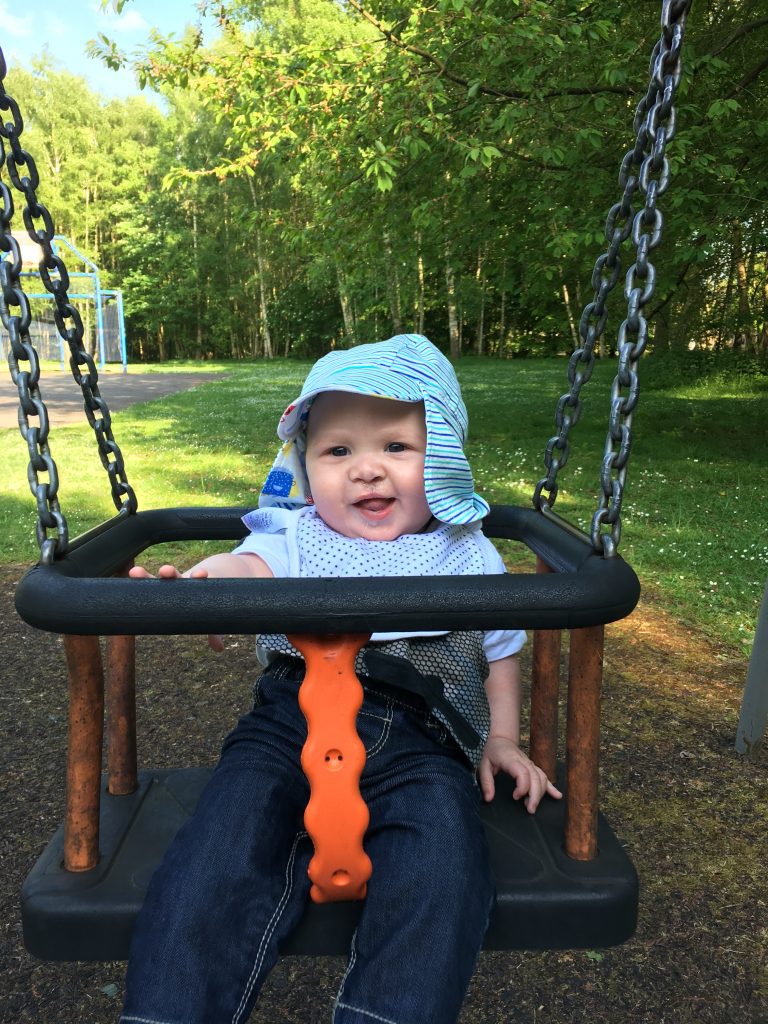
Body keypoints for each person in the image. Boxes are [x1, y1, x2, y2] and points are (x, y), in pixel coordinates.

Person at [120, 333, 561, 1024]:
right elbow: (248, 567)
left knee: (444, 868)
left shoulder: (465, 551)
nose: (365, 471)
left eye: (395, 447)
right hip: (284, 729)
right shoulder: (293, 533)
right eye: (337, 451)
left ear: (442, 457)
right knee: (216, 855)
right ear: (306, 463)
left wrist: (501, 739)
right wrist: (205, 587)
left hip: (424, 739)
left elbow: (500, 648)